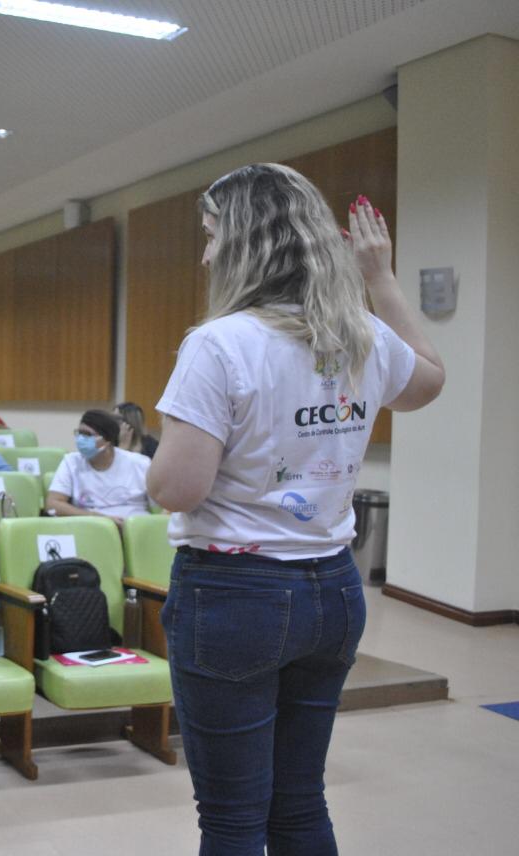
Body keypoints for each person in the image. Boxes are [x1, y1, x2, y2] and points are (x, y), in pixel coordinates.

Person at [147, 170, 443, 855]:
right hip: (333, 593)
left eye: (212, 236)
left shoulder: (219, 344)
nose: (205, 255)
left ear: (246, 241)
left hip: (235, 596)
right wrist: (381, 277)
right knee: (300, 803)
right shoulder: (359, 334)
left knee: (231, 818)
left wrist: (158, 453)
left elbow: (177, 488)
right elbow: (428, 382)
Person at [46, 409, 152, 525]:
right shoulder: (71, 462)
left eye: (88, 435)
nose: (81, 439)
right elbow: (53, 504)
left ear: (107, 440)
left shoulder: (140, 463)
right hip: (92, 529)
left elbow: (164, 507)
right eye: (79, 433)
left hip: (133, 529)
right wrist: (98, 518)